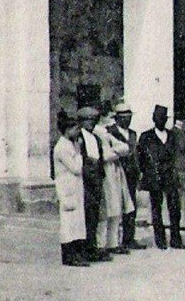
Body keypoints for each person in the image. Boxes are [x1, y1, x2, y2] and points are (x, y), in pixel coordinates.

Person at [137, 105, 185, 250]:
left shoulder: (172, 135)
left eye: (163, 118)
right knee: (156, 208)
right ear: (153, 119)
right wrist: (146, 173)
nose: (161, 121)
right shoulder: (146, 136)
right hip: (154, 175)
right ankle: (160, 240)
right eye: (158, 118)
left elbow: (176, 153)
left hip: (170, 175)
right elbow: (140, 156)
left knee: (174, 208)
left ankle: (176, 240)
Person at [94, 106, 135, 257]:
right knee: (107, 212)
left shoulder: (105, 133)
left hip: (116, 173)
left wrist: (115, 152)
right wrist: (116, 153)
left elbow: (124, 147)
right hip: (106, 174)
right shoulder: (96, 133)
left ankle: (113, 243)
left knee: (116, 209)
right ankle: (101, 245)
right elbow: (103, 156)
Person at [106, 102, 146, 250]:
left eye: (129, 117)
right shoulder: (109, 132)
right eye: (124, 117)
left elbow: (137, 154)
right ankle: (113, 241)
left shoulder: (133, 134)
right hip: (115, 173)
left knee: (131, 207)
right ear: (117, 118)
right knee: (115, 206)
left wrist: (140, 171)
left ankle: (129, 239)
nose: (127, 120)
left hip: (131, 175)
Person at [53, 110, 89, 267]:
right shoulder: (62, 147)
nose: (78, 132)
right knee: (68, 222)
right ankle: (69, 256)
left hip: (74, 186)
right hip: (67, 187)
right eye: (76, 129)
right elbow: (75, 168)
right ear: (67, 130)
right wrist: (79, 153)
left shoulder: (70, 144)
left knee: (76, 221)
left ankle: (77, 253)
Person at [76, 106, 109, 262]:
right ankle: (83, 249)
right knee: (85, 216)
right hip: (85, 181)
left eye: (94, 120)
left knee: (94, 215)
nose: (92, 123)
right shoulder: (79, 138)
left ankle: (92, 247)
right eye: (88, 120)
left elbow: (100, 158)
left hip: (96, 181)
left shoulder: (95, 138)